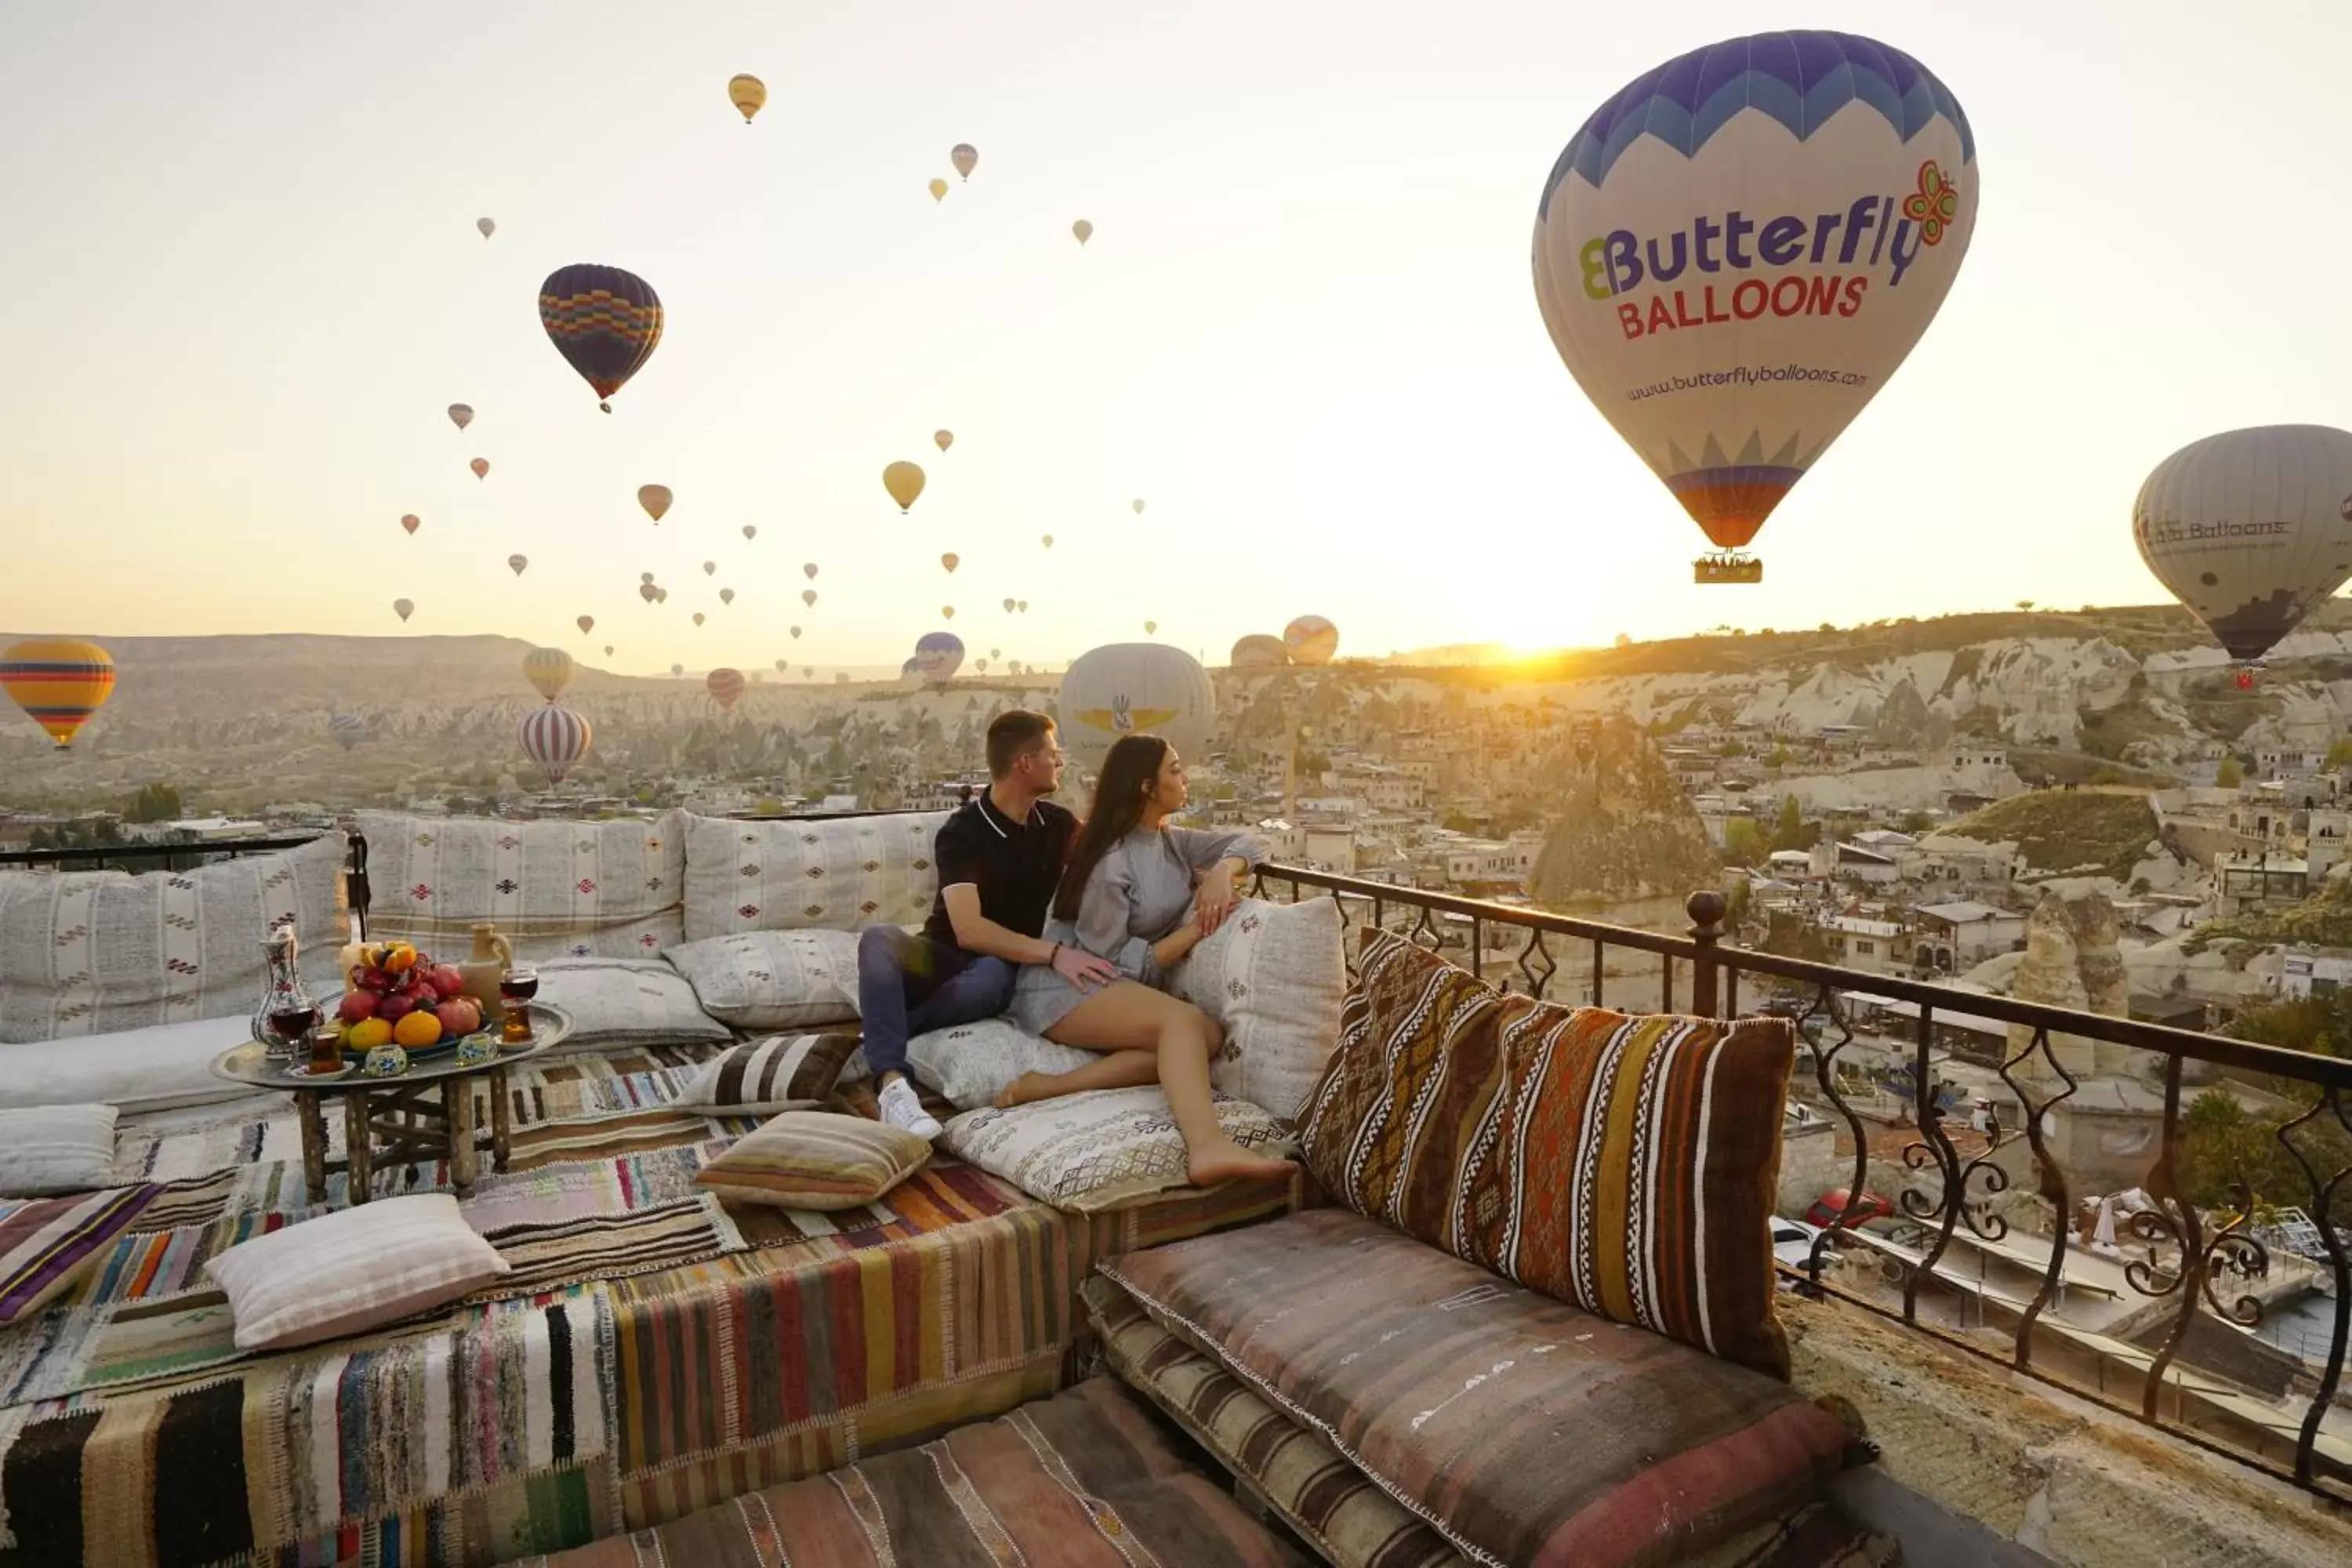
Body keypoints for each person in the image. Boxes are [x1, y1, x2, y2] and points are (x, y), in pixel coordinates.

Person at [1004, 734, 1294, 1187]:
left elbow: (1253, 841)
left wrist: (1222, 872)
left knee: (1209, 1037)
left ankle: (1050, 1086)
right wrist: (1194, 930)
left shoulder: (1170, 841)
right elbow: (1108, 962)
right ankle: (1207, 1146)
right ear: (1145, 786)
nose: (1184, 778)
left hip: (1114, 983)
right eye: (1174, 770)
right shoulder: (1111, 862)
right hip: (1067, 986)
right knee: (1182, 1024)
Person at [859, 711, 1116, 1138]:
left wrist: (1209, 868)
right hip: (941, 956)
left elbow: (1112, 852)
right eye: (1053, 755)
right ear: (1024, 764)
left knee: (992, 976)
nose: (1060, 763)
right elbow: (969, 930)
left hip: (998, 970)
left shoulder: (1055, 825)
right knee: (878, 940)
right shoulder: (963, 832)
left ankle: (878, 1037)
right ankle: (892, 1086)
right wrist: (1055, 953)